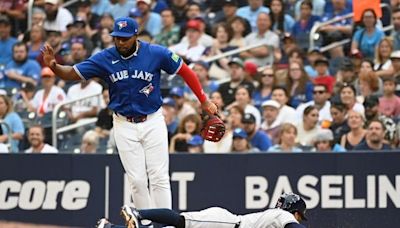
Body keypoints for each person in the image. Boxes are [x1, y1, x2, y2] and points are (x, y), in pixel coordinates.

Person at [41, 16, 217, 209]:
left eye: (125, 38)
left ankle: (166, 222)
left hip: (153, 120)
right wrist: (54, 67)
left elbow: (186, 71)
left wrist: (204, 100)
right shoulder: (105, 57)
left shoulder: (156, 53)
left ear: (135, 35)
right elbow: (73, 73)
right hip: (123, 123)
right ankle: (147, 222)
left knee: (159, 176)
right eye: (117, 37)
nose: (120, 42)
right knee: (137, 181)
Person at [97, 192, 307, 228]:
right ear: (294, 211)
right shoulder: (283, 215)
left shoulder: (275, 217)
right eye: (299, 215)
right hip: (227, 224)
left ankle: (110, 227)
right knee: (181, 221)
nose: (299, 219)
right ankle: (138, 213)